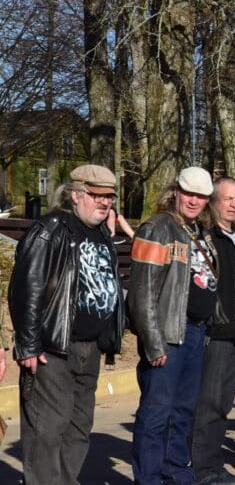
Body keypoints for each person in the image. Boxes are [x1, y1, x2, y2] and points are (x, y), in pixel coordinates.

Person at [9, 165, 125, 484]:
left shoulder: (102, 233)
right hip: (53, 348)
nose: (104, 202)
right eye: (96, 195)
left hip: (90, 348)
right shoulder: (50, 230)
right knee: (47, 430)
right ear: (75, 194)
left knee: (78, 429)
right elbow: (25, 288)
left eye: (109, 197)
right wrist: (28, 345)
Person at [130, 167, 219, 484]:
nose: (194, 201)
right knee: (156, 414)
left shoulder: (199, 231)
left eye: (201, 196)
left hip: (195, 333)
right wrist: (153, 342)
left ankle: (177, 473)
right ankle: (149, 479)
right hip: (167, 335)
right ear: (176, 192)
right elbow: (142, 292)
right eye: (189, 193)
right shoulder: (157, 228)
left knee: (183, 412)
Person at [192, 177, 235, 484]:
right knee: (210, 404)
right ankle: (203, 470)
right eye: (228, 199)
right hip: (217, 332)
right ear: (214, 201)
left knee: (223, 405)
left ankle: (214, 465)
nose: (233, 204)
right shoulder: (208, 236)